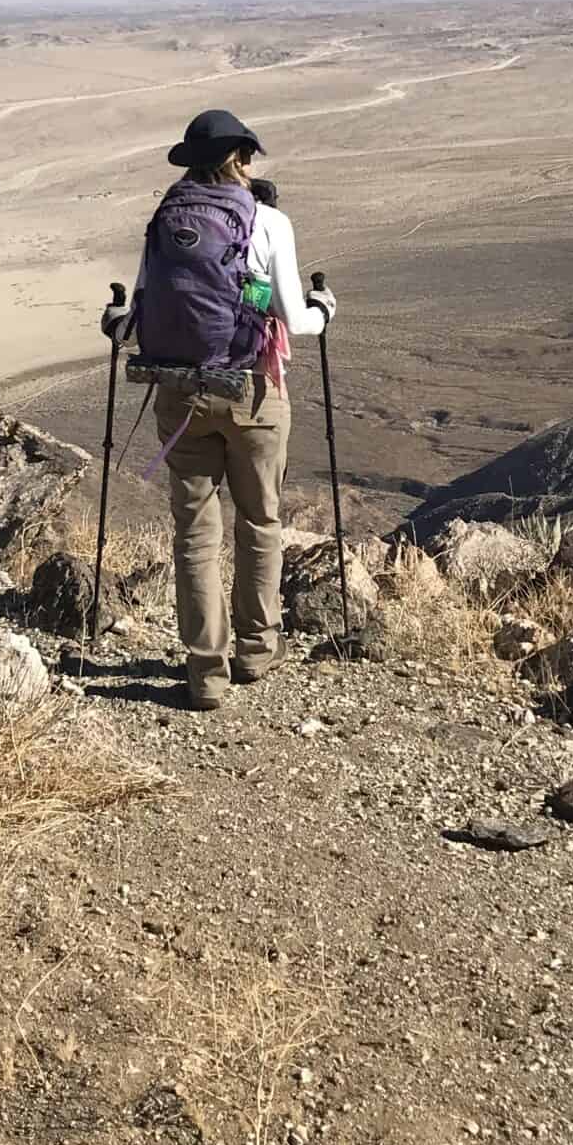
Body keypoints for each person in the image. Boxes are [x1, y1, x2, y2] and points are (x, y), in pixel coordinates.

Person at [102, 109, 334, 712]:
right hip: (253, 392)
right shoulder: (269, 221)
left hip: (178, 393)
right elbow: (291, 315)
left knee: (194, 535)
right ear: (245, 160)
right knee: (260, 524)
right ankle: (256, 651)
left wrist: (115, 323)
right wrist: (325, 309)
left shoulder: (166, 220)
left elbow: (138, 313)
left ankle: (205, 672)